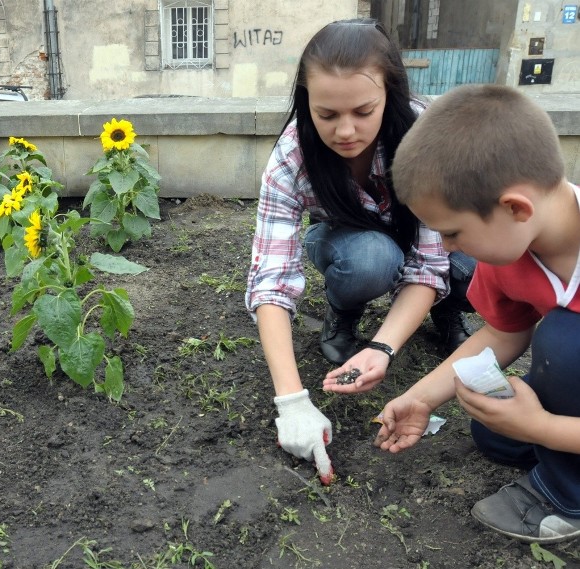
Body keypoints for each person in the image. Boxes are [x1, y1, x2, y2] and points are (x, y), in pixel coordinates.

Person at [245, 18, 474, 481]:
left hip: (427, 242)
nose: (345, 131)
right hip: (349, 242)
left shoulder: (423, 138)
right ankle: (343, 311)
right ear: (305, 100)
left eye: (363, 111)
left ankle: (447, 314)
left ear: (389, 93)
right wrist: (291, 402)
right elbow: (270, 278)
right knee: (371, 259)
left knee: (465, 257)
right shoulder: (292, 156)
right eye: (326, 114)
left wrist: (383, 349)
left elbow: (430, 264)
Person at [374, 84, 580, 543]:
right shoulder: (510, 250)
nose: (446, 248)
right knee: (493, 430)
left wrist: (543, 426)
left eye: (451, 233)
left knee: (566, 343)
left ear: (515, 207)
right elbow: (503, 332)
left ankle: (569, 495)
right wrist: (422, 399)